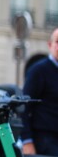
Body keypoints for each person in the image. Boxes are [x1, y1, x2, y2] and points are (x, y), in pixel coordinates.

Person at [21, 28, 58, 156]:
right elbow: (23, 107)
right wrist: (27, 141)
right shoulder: (39, 70)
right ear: (50, 45)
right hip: (45, 140)